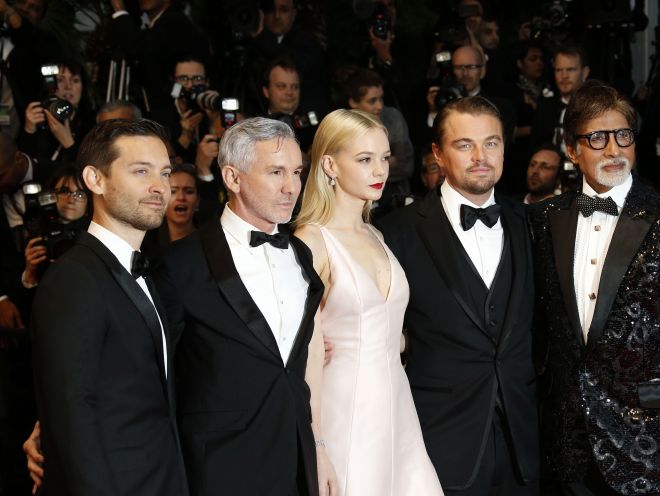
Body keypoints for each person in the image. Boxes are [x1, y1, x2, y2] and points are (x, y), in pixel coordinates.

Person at [529, 80, 660, 495]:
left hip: (655, 454)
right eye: (597, 138)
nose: (613, 149)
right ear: (572, 149)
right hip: (563, 455)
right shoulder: (541, 220)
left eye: (623, 135)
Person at [153, 117, 325, 496]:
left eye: (296, 172)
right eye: (276, 172)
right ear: (232, 177)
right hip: (220, 468)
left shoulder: (302, 255)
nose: (291, 187)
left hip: (297, 462)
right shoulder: (180, 264)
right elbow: (149, 373)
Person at [378, 96, 539, 495]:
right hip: (439, 443)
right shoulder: (395, 232)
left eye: (491, 143)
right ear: (438, 154)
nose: (481, 157)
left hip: (524, 444)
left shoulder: (532, 224)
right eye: (465, 145)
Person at [31, 118, 188, 495]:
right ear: (95, 180)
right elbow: (72, 415)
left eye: (165, 173)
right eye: (141, 171)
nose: (159, 187)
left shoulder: (151, 272)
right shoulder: (74, 279)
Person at [294, 109, 443, 495]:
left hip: (396, 406)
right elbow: (305, 355)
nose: (379, 170)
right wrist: (317, 446)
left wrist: (399, 341)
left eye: (384, 158)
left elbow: (384, 327)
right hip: (343, 412)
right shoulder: (312, 240)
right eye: (364, 159)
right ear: (330, 164)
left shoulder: (376, 236)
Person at [345, 68, 414, 212]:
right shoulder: (342, 128)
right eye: (372, 101)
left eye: (381, 99)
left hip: (397, 199)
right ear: (353, 102)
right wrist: (389, 161)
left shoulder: (393, 117)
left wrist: (362, 170)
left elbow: (406, 165)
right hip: (356, 207)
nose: (380, 106)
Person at [22, 165, 91, 288]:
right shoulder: (38, 233)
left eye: (80, 194)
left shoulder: (95, 237)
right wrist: (30, 273)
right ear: (50, 195)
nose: (71, 199)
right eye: (64, 191)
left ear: (89, 202)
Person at [18, 60, 95, 163]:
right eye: (60, 80)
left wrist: (69, 143)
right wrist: (29, 130)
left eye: (75, 80)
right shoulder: (41, 116)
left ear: (83, 86)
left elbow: (91, 167)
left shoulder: (93, 122)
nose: (68, 86)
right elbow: (21, 164)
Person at [141, 163, 199, 258]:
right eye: (173, 191)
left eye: (189, 191)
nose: (181, 197)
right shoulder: (146, 244)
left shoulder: (211, 241)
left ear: (197, 201)